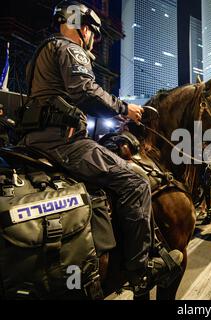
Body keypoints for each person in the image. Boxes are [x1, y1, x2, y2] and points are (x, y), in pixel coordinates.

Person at [19, 1, 182, 291]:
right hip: (64, 144)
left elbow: (64, 99)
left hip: (35, 141)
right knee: (136, 182)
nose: (93, 38)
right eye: (93, 31)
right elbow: (84, 91)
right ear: (82, 28)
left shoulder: (41, 53)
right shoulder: (70, 49)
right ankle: (141, 270)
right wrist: (124, 108)